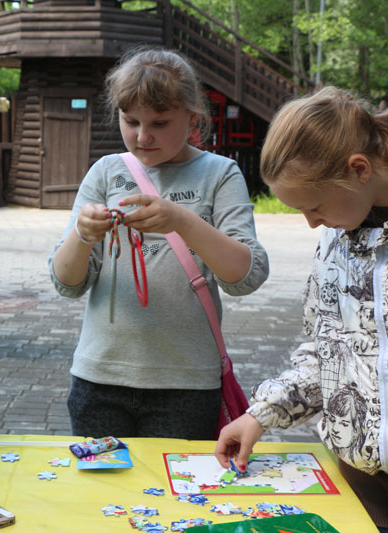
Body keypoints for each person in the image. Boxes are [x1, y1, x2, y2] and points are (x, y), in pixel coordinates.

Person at [214, 87, 388, 532]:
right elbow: (329, 352)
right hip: (359, 487)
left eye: (314, 206)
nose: (311, 223)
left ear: (359, 169)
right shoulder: (338, 233)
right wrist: (261, 414)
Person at [48, 47, 269, 440]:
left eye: (160, 122)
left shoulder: (219, 173)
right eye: (130, 121)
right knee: (102, 482)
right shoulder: (106, 172)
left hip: (188, 383)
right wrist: (83, 234)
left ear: (193, 116)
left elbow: (245, 276)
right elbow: (67, 282)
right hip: (100, 377)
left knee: (175, 482)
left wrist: (181, 221)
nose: (142, 136)